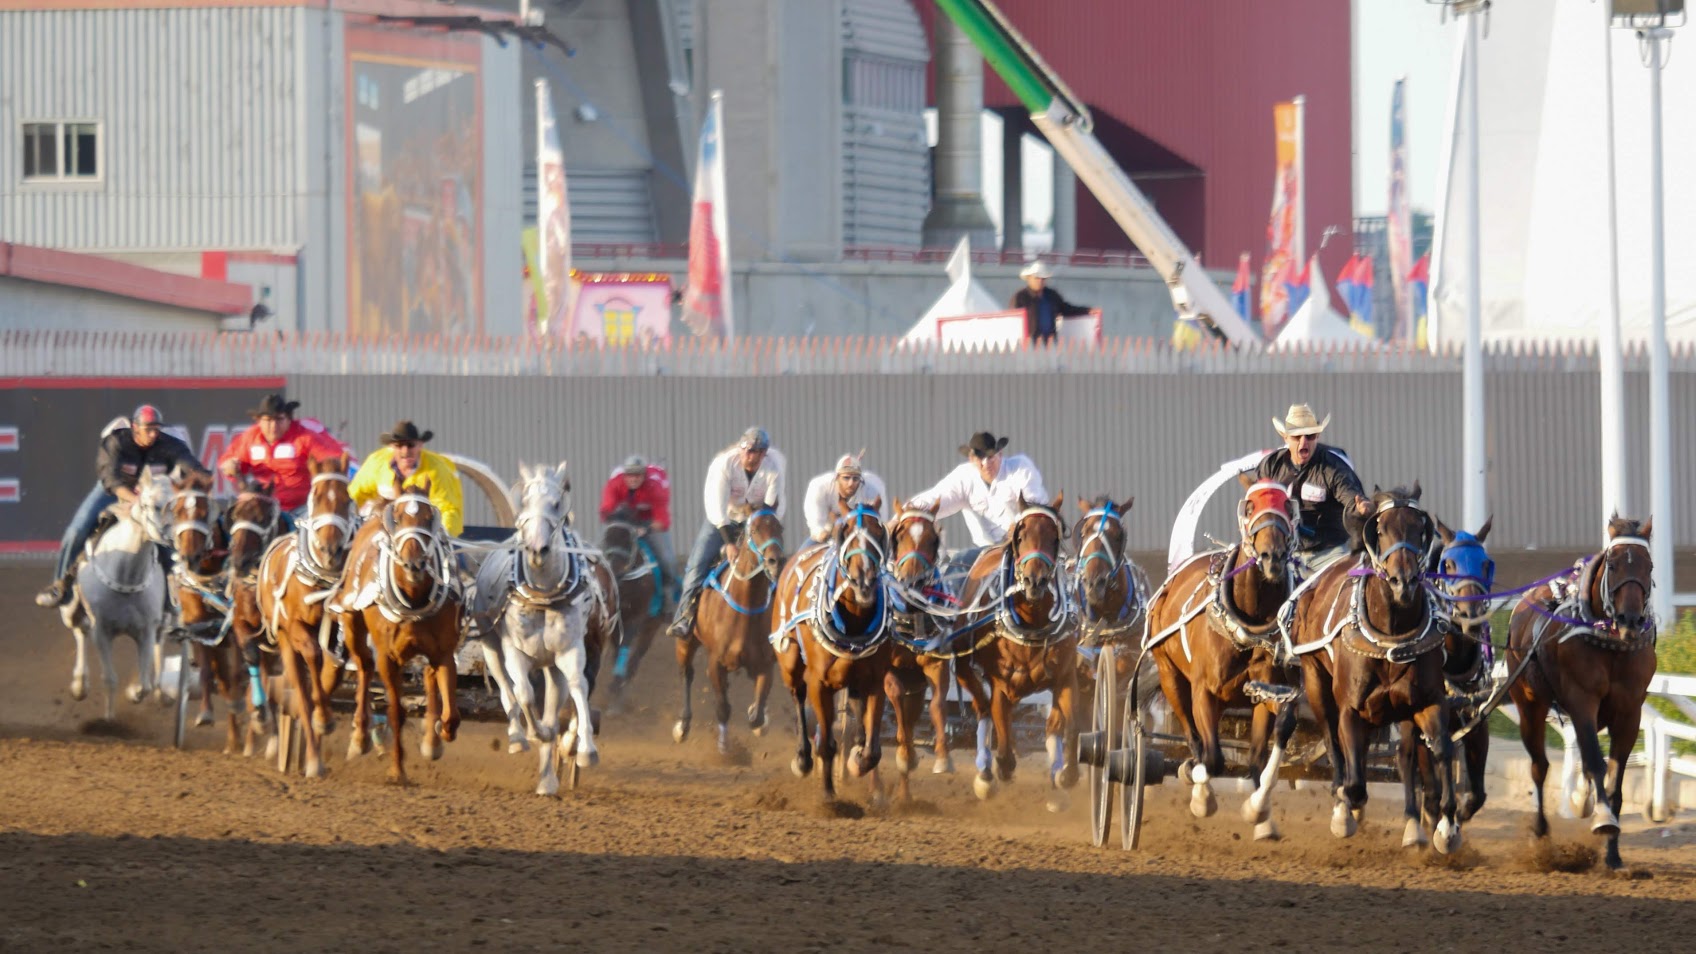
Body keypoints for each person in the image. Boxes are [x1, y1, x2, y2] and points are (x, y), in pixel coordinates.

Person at [36, 405, 211, 607]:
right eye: (148, 429)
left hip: (151, 496)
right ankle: (60, 585)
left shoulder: (170, 445)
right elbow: (109, 478)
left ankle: (174, 598)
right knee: (77, 530)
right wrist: (135, 501)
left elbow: (192, 466)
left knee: (170, 536)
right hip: (113, 492)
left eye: (156, 429)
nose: (153, 434)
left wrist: (204, 479)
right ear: (135, 427)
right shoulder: (117, 441)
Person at [666, 427, 786, 639]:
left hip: (755, 520)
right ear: (741, 449)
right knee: (696, 565)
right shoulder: (723, 465)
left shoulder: (773, 469)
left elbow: (772, 504)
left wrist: (762, 526)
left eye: (757, 452)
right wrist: (729, 543)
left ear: (764, 453)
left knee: (774, 561)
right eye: (748, 451)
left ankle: (781, 620)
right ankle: (683, 616)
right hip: (722, 521)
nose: (751, 457)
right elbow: (716, 506)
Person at [906, 431, 1048, 579]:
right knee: (957, 564)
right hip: (985, 552)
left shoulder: (1020, 468)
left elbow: (1035, 505)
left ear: (1000, 454)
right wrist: (905, 513)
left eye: (991, 456)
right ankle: (951, 602)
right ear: (971, 459)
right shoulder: (964, 477)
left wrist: (1020, 524)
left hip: (1023, 548)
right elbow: (937, 497)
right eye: (980, 457)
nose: (986, 463)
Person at [1254, 403, 1372, 567]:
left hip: (1329, 553)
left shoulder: (1333, 468)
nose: (1304, 442)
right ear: (1285, 437)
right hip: (1285, 552)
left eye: (1310, 436)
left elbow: (1352, 498)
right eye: (1296, 437)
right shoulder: (1271, 466)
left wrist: (1361, 508)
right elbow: (1260, 505)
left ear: (1317, 436)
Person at [217, 394, 348, 525]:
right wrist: (229, 466)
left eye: (279, 419)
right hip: (262, 507)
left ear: (289, 419)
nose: (273, 426)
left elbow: (334, 457)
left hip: (302, 510)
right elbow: (227, 462)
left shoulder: (304, 437)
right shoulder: (250, 438)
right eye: (268, 420)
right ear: (259, 421)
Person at [347, 420, 465, 537]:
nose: (405, 451)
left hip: (423, 528)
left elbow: (448, 508)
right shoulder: (376, 463)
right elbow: (353, 495)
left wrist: (444, 536)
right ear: (392, 446)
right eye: (399, 445)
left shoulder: (437, 469)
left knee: (451, 553)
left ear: (420, 445)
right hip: (379, 525)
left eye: (410, 445)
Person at [598, 454, 678, 610]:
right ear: (624, 475)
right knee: (601, 548)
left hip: (650, 522)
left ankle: (670, 593)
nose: (633, 479)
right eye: (629, 475)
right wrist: (620, 524)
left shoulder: (656, 487)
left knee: (667, 559)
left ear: (645, 475)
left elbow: (662, 522)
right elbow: (606, 512)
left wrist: (646, 529)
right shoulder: (614, 484)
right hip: (623, 520)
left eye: (637, 475)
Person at [801, 453, 887, 544]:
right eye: (846, 478)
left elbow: (880, 522)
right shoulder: (819, 487)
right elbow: (816, 521)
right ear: (837, 477)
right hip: (827, 531)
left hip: (860, 532)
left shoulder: (871, 490)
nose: (851, 483)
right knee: (802, 554)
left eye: (855, 479)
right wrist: (821, 533)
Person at [1010, 261, 1091, 344]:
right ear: (1029, 278)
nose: (1040, 281)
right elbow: (1013, 320)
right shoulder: (1020, 297)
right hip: (1029, 344)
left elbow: (1066, 309)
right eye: (1037, 278)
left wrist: (1087, 311)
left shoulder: (1051, 295)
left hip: (1050, 343)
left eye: (1043, 278)